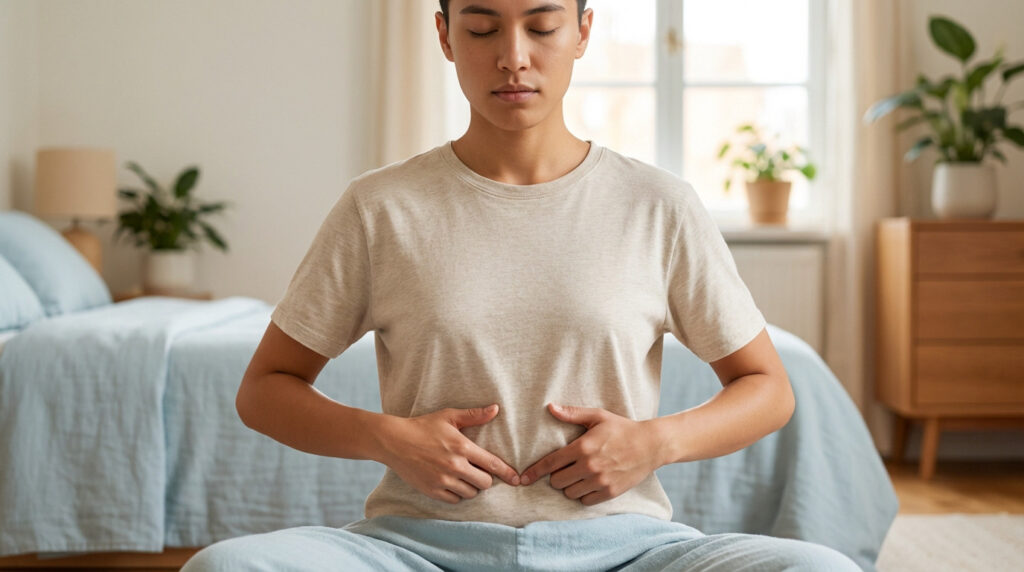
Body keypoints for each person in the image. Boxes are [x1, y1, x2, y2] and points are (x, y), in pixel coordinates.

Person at [182, 1, 861, 570]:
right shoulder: (380, 208)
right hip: (416, 550)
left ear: (583, 32)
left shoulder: (658, 205)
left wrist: (654, 443)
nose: (513, 56)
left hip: (629, 550)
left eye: (541, 26)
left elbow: (767, 388)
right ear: (445, 36)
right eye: (482, 29)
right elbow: (265, 389)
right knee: (225, 566)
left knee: (820, 569)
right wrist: (389, 438)